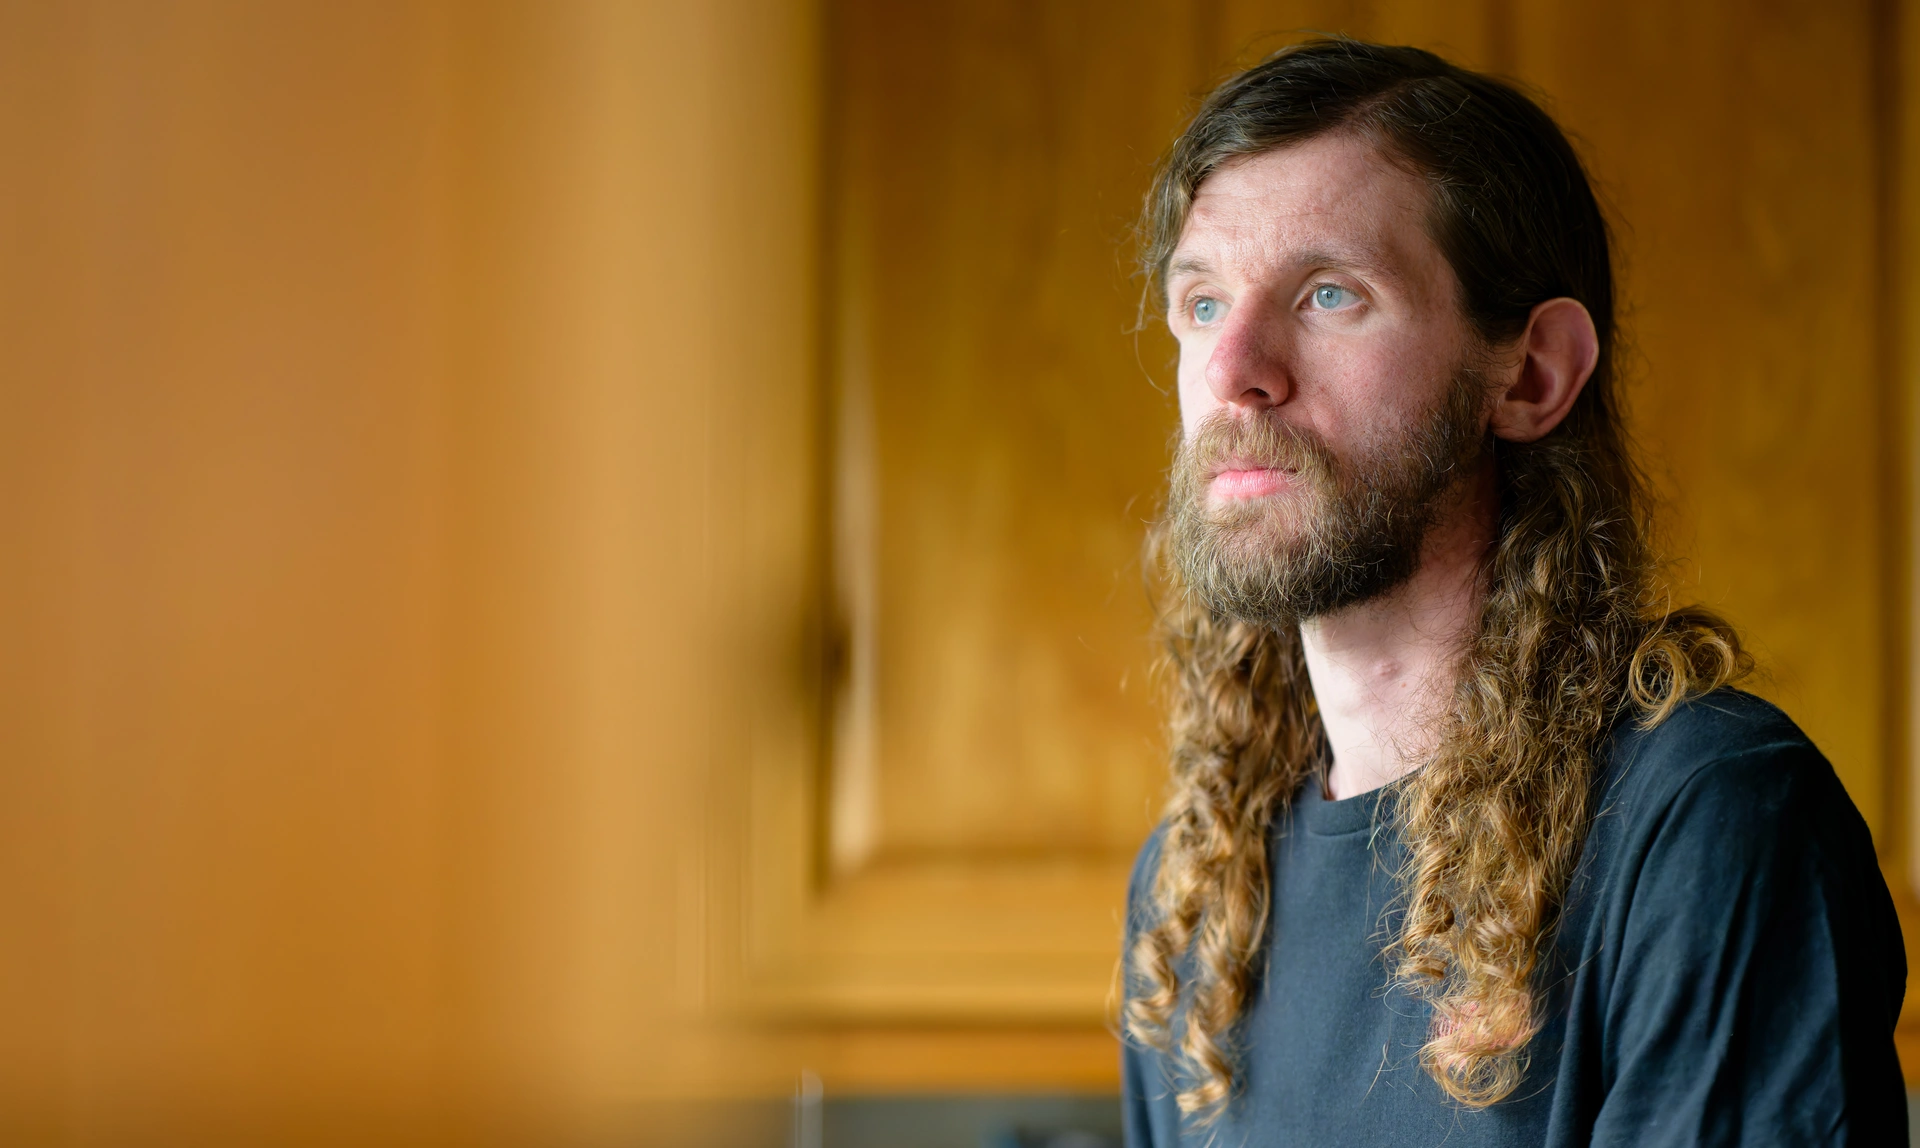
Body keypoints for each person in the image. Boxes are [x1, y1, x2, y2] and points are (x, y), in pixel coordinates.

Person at [1119, 37, 1908, 1146]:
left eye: (1330, 294)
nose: (1232, 367)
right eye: (1201, 303)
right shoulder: (1196, 891)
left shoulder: (1707, 820)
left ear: (1532, 374)